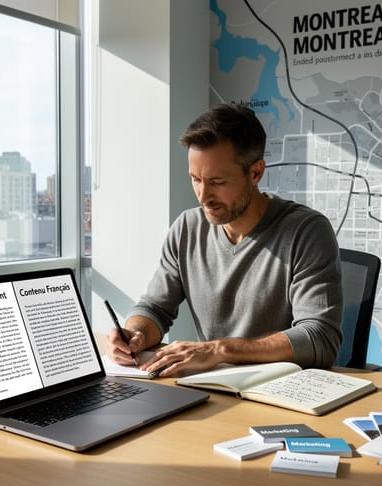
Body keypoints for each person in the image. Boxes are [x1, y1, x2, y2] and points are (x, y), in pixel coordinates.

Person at [105, 103, 342, 378]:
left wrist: (219, 350)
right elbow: (155, 308)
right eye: (195, 179)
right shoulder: (187, 227)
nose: (203, 196)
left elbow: (320, 338)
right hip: (212, 388)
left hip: (279, 392)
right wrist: (135, 333)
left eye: (217, 182)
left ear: (255, 172)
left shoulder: (307, 231)